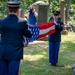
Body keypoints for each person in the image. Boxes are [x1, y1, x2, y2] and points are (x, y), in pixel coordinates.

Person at [0, 1, 32, 75]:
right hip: (15, 53)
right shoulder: (22, 22)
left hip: (3, 52)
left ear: (8, 10)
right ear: (18, 10)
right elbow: (29, 34)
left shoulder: (1, 21)